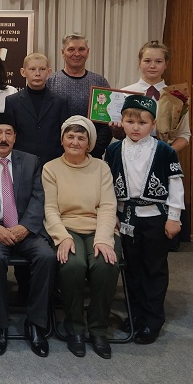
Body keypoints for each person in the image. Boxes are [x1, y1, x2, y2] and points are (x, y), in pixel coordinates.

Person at [0, 112, 56, 358]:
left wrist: (25, 227)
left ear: (15, 137)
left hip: (24, 229)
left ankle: (35, 323)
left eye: (8, 133)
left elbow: (38, 198)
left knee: (47, 256)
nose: (3, 138)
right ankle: (0, 324)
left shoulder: (31, 161)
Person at [104, 95, 185, 345]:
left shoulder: (164, 150)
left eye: (142, 123)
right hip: (126, 218)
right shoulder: (113, 150)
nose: (135, 127)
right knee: (132, 269)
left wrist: (174, 217)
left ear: (153, 124)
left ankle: (152, 319)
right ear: (122, 122)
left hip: (155, 218)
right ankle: (135, 314)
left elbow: (175, 185)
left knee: (154, 269)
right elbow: (107, 186)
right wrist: (112, 215)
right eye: (130, 122)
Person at [42, 115, 120, 359]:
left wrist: (104, 238)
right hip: (66, 228)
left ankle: (98, 329)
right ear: (62, 139)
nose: (75, 142)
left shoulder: (101, 168)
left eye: (81, 138)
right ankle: (75, 327)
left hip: (99, 227)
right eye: (70, 137)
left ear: (89, 143)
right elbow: (50, 209)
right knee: (72, 265)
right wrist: (62, 237)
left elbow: (108, 206)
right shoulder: (50, 168)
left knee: (106, 264)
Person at [46, 33, 112, 159]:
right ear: (63, 52)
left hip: (91, 155)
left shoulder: (100, 82)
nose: (77, 54)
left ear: (88, 52)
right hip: (56, 154)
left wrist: (94, 148)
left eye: (81, 49)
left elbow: (106, 123)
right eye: (71, 49)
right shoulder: (50, 82)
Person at [118, 41, 191, 153]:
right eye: (147, 61)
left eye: (158, 61)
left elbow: (184, 134)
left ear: (166, 64)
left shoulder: (176, 97)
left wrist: (166, 153)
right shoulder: (124, 94)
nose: (152, 66)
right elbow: (119, 131)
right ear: (139, 63)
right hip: (129, 154)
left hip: (164, 156)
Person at [4, 53, 71, 166]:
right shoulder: (12, 101)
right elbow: (9, 134)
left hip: (53, 162)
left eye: (42, 69)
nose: (37, 74)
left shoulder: (60, 102)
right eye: (32, 69)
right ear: (23, 72)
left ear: (49, 72)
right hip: (21, 163)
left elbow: (65, 134)